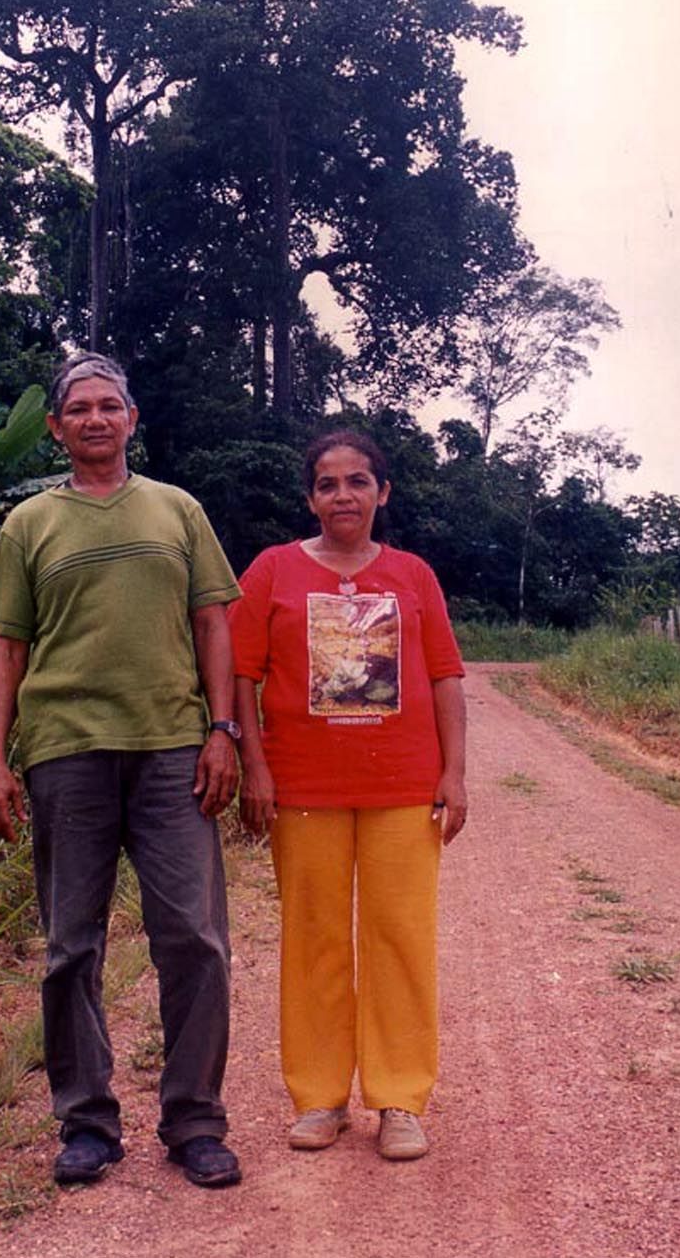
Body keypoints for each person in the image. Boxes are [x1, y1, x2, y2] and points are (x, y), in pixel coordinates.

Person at [0, 352, 243, 1190]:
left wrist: (223, 729)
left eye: (110, 405)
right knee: (70, 949)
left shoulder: (178, 510)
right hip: (64, 752)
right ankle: (86, 1123)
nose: (95, 419)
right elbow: (5, 650)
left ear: (132, 419)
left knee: (194, 942)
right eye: (79, 409)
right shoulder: (29, 524)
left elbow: (213, 627)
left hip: (171, 748)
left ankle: (194, 1121)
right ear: (55, 427)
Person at [229, 430, 467, 1161]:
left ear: (381, 492)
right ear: (310, 497)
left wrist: (453, 773)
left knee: (399, 938)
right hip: (304, 786)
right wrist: (256, 768)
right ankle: (319, 1097)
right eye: (327, 484)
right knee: (314, 942)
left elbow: (444, 677)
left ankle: (398, 1098)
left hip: (401, 784)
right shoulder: (271, 572)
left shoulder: (413, 575)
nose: (343, 496)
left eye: (357, 482)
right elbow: (241, 675)